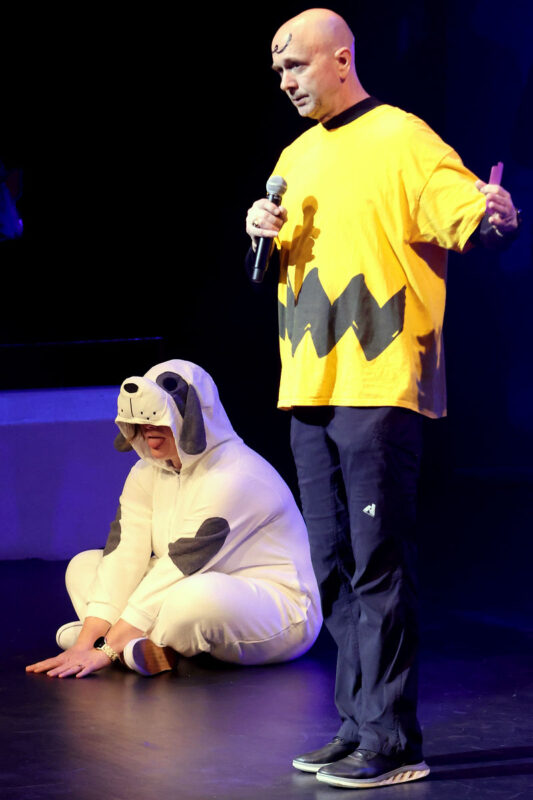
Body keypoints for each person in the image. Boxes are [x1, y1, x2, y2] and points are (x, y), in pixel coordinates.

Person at [245, 8, 520, 791]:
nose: (287, 81)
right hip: (307, 386)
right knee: (331, 564)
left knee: (376, 564)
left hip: (378, 380)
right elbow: (277, 265)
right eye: (278, 72)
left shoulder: (401, 136)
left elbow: (464, 211)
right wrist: (257, 228)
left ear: (341, 58)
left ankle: (393, 740)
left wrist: (492, 216)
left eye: (296, 64)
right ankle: (355, 726)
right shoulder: (294, 155)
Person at [26, 359, 321, 679]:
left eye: (160, 423)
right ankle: (142, 647)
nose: (149, 434)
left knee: (192, 599)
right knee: (84, 565)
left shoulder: (235, 475)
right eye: (144, 425)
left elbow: (179, 566)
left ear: (193, 420)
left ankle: (123, 645)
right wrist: (84, 644)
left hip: (275, 608)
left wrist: (104, 648)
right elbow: (125, 553)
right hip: (184, 580)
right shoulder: (145, 472)